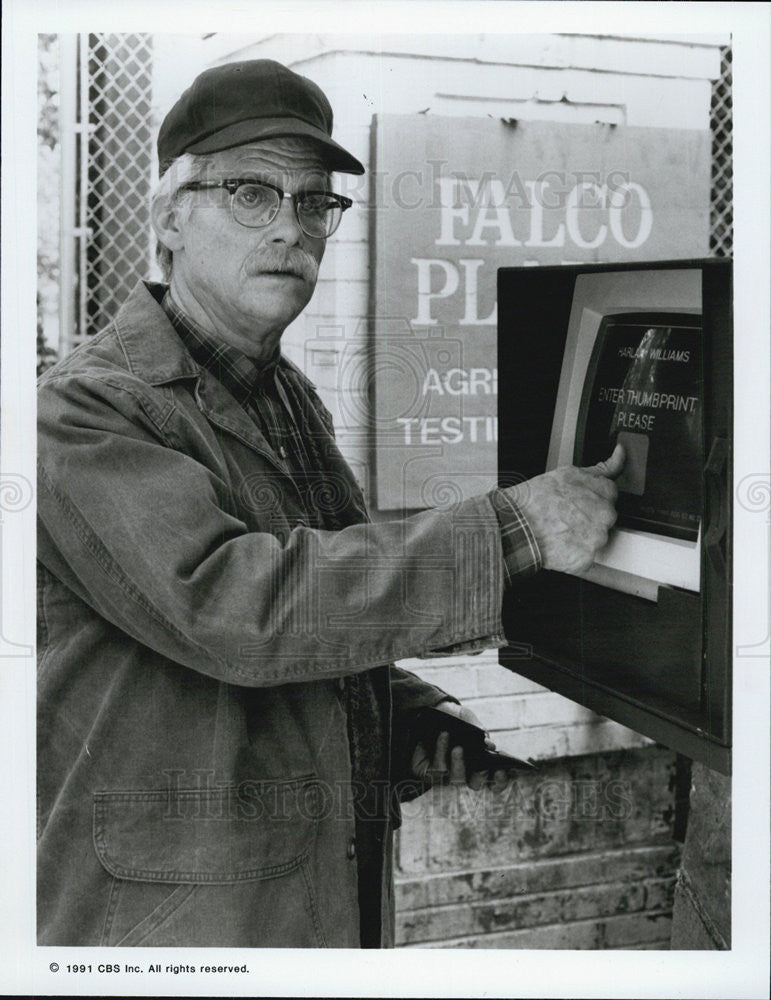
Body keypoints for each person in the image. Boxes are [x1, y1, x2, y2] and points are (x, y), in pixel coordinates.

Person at [37, 59, 623, 948]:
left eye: (314, 203)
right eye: (250, 193)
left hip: (310, 893)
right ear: (167, 216)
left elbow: (322, 626)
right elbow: (239, 609)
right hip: (169, 920)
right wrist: (515, 529)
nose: (290, 228)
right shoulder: (83, 410)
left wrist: (412, 722)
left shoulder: (285, 394)